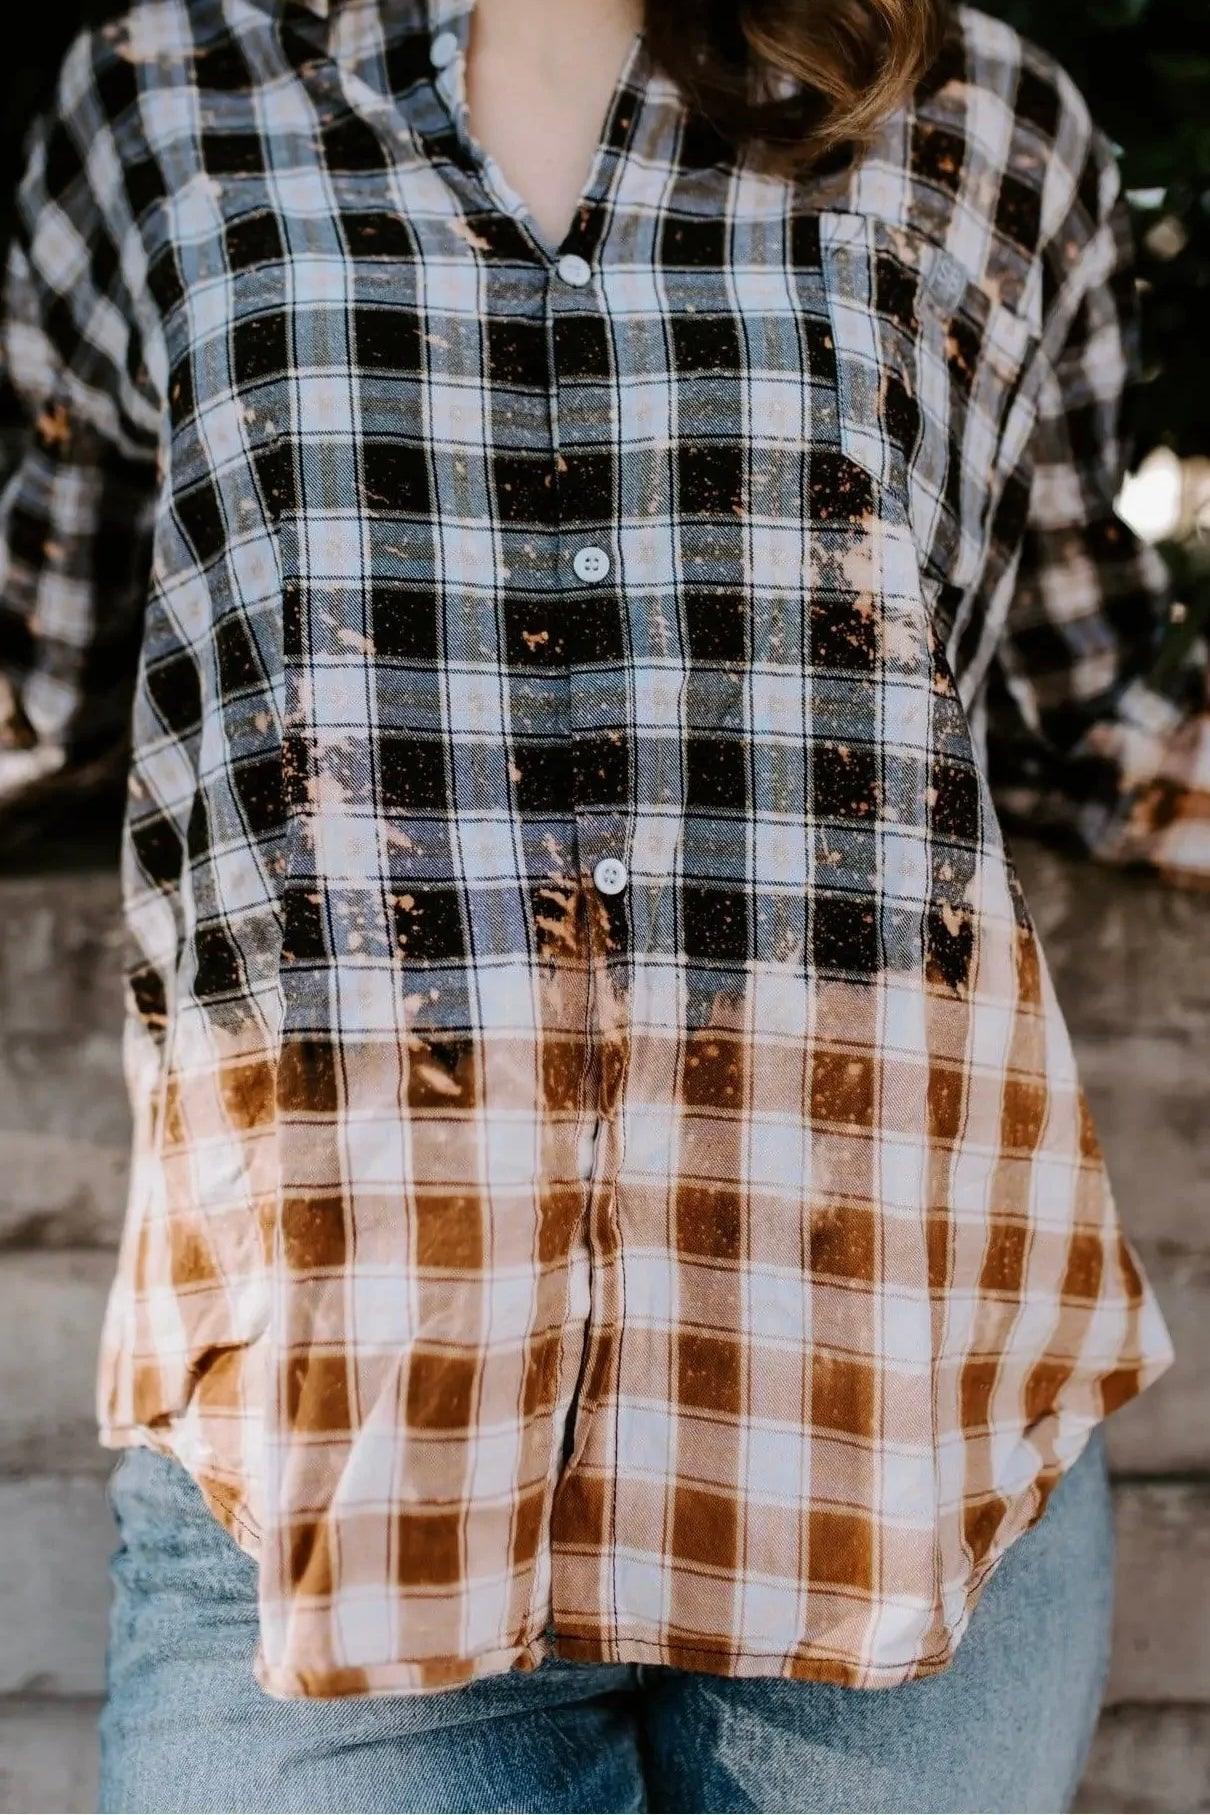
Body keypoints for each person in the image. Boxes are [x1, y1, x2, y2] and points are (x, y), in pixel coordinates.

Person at [0, 0, 1205, 1807]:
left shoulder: (978, 112)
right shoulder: (167, 97)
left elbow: (1084, 672)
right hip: (344, 1463)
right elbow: (41, 659)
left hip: (883, 1430)